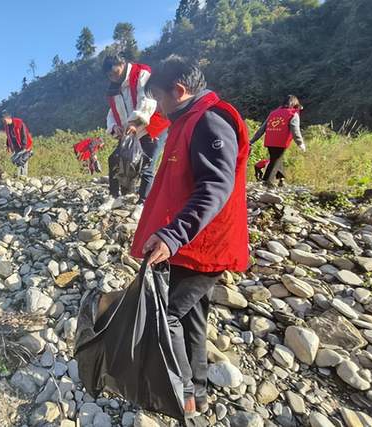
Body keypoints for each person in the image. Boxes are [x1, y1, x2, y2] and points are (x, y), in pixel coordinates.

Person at [130, 55, 249, 416]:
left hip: (205, 244)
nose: (161, 108)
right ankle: (198, 395)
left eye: (162, 99)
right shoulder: (187, 119)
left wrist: (172, 236)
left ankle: (181, 395)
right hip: (190, 243)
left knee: (167, 316)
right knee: (192, 316)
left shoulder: (211, 120)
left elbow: (216, 185)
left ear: (179, 91)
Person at [100, 54, 171, 212]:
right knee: (114, 159)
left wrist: (135, 121)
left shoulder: (141, 74)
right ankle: (114, 196)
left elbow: (147, 100)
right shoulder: (113, 88)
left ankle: (143, 203)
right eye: (109, 76)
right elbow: (112, 112)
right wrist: (114, 127)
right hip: (130, 131)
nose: (113, 77)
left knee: (147, 164)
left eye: (114, 72)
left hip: (153, 125)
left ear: (122, 63)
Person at [250, 95, 306, 187]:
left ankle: (281, 179)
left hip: (270, 141)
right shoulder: (293, 114)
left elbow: (263, 128)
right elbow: (295, 130)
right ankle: (266, 181)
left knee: (275, 159)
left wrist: (252, 140)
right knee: (275, 160)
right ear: (295, 104)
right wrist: (300, 143)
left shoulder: (273, 113)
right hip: (281, 142)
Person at [2, 112, 33, 177]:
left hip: (24, 145)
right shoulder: (7, 126)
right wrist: (8, 145)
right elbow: (8, 136)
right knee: (16, 161)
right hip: (16, 147)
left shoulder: (19, 123)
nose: (4, 122)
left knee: (22, 161)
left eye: (4, 120)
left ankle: (23, 177)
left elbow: (24, 134)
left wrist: (24, 146)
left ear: (8, 118)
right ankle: (19, 176)